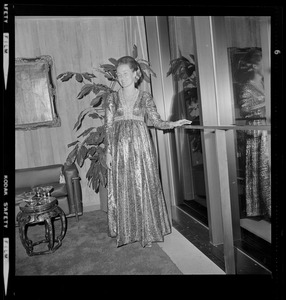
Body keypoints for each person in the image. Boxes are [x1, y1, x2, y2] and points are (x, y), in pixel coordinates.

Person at [104, 56, 192, 247]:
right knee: (123, 186)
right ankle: (127, 231)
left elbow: (155, 121)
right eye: (119, 74)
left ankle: (147, 230)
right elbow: (109, 127)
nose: (122, 77)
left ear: (136, 74)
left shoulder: (145, 97)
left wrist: (174, 123)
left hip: (141, 149)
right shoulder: (111, 98)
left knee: (142, 185)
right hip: (119, 148)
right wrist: (108, 152)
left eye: (125, 73)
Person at [238, 48, 271, 221]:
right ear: (254, 65)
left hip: (268, 129)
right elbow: (245, 110)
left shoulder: (267, 83)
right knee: (262, 170)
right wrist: (267, 100)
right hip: (257, 132)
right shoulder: (247, 87)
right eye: (263, 62)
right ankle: (264, 208)